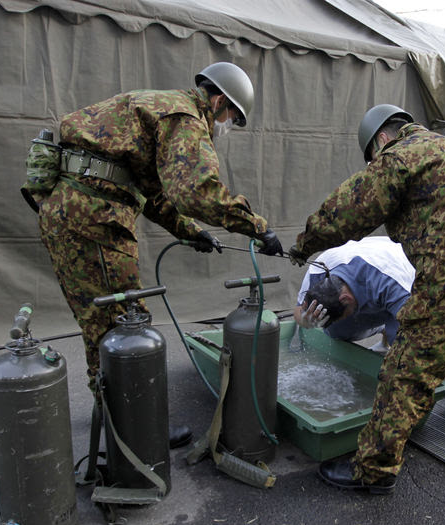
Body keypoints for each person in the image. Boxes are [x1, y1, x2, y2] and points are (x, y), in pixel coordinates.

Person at [288, 104, 445, 494]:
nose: (374, 162)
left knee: (406, 371)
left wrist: (304, 244)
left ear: (381, 139)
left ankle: (374, 467)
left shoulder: (397, 157)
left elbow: (348, 212)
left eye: (372, 156)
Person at [26, 62, 284, 396]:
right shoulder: (185, 118)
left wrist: (193, 232)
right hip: (92, 216)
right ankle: (133, 428)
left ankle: (118, 417)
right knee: (124, 323)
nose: (228, 127)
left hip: (72, 210)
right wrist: (258, 228)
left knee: (103, 321)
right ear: (219, 101)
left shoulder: (159, 105)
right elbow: (196, 192)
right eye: (233, 119)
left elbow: (154, 196)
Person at [294, 236, 415, 353]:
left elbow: (418, 336)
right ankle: (382, 329)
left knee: (403, 344)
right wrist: (305, 321)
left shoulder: (391, 285)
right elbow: (298, 310)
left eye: (345, 315)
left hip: (399, 273)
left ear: (346, 299)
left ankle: (389, 330)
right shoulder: (317, 272)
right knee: (335, 331)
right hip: (364, 266)